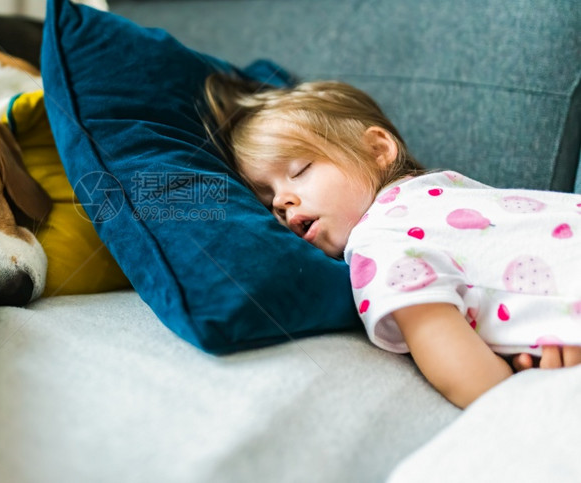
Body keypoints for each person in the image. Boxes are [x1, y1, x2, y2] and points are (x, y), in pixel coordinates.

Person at [205, 75, 581, 409]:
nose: (281, 203)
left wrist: (525, 396)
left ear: (378, 149)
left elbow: (473, 382)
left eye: (299, 170)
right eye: (267, 198)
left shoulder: (379, 240)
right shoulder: (443, 192)